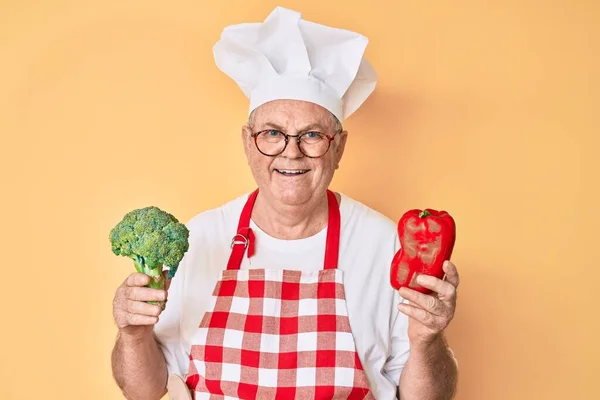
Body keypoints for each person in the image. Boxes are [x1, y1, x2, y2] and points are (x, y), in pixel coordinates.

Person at [111, 6, 459, 400]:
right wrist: (132, 333)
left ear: (339, 147)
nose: (290, 153)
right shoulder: (202, 237)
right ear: (247, 142)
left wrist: (429, 339)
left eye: (311, 135)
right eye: (272, 133)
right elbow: (144, 391)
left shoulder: (385, 245)